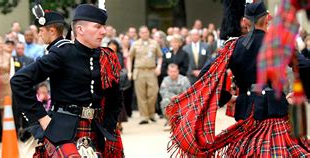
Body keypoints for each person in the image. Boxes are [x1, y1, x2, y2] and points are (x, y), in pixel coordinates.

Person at [167, 1, 310, 157]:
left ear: (245, 21)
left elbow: (207, 73)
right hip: (275, 108)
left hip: (247, 111)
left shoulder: (233, 46)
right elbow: (305, 67)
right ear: (268, 18)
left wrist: (227, 97)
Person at [11, 4, 124, 157]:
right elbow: (19, 81)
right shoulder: (61, 54)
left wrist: (109, 128)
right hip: (63, 131)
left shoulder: (106, 57)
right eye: (97, 27)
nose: (103, 31)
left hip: (96, 130)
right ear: (80, 30)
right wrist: (42, 118)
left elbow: (115, 96)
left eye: (103, 26)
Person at [127, 25, 163, 124]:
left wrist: (158, 66)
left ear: (149, 32)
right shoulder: (135, 44)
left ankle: (151, 114)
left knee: (153, 94)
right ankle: (144, 116)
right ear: (139, 34)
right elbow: (129, 58)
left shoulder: (154, 43)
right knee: (141, 95)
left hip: (151, 71)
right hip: (139, 71)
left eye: (146, 32)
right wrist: (129, 71)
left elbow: (160, 57)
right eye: (142, 32)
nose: (144, 34)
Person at [159, 64, 190, 130]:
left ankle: (183, 122)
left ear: (178, 71)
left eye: (174, 71)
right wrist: (173, 97)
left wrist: (179, 97)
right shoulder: (165, 80)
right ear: (168, 72)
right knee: (164, 101)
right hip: (171, 100)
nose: (173, 73)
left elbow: (188, 92)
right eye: (171, 71)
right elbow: (163, 92)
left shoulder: (184, 79)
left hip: (182, 100)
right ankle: (170, 122)